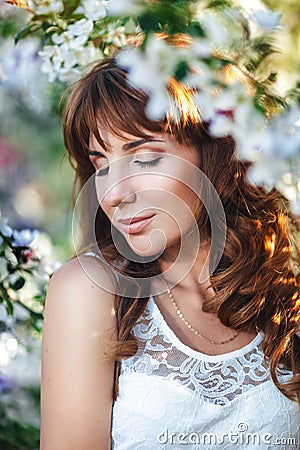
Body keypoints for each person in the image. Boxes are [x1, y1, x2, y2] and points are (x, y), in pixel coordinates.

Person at [39, 56, 300, 450]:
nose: (113, 194)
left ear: (219, 149)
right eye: (101, 164)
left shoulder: (285, 283)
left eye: (144, 158)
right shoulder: (89, 291)